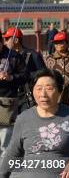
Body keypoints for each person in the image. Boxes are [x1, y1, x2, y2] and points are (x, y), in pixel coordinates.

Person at [0, 69, 69, 178]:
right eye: (38, 88)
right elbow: (12, 153)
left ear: (60, 91)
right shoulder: (23, 118)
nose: (43, 94)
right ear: (32, 91)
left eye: (49, 88)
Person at [3, 28, 44, 120]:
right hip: (11, 97)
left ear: (16, 40)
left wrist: (26, 75)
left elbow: (43, 74)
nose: (4, 42)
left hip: (27, 97)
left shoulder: (33, 55)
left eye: (6, 39)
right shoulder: (7, 58)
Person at [0, 28, 28, 157]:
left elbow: (25, 76)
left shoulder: (14, 56)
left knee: (5, 141)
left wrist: (11, 77)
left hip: (7, 103)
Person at [44, 32, 69, 105]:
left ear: (66, 43)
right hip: (55, 93)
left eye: (61, 42)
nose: (58, 45)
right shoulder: (48, 59)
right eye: (56, 43)